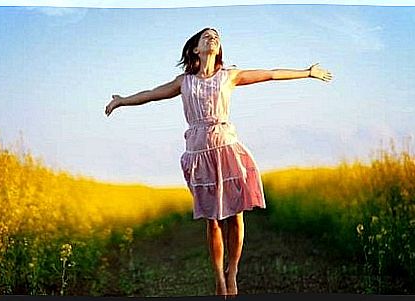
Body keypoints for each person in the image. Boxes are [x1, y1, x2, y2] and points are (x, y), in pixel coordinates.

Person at [105, 27, 333, 298]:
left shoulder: (229, 76)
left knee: (236, 215)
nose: (213, 38)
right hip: (199, 154)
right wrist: (121, 101)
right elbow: (152, 93)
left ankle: (233, 271)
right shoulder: (184, 81)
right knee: (212, 219)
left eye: (216, 36)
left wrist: (307, 72)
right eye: (206, 36)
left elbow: (271, 74)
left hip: (227, 148)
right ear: (195, 50)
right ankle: (219, 279)